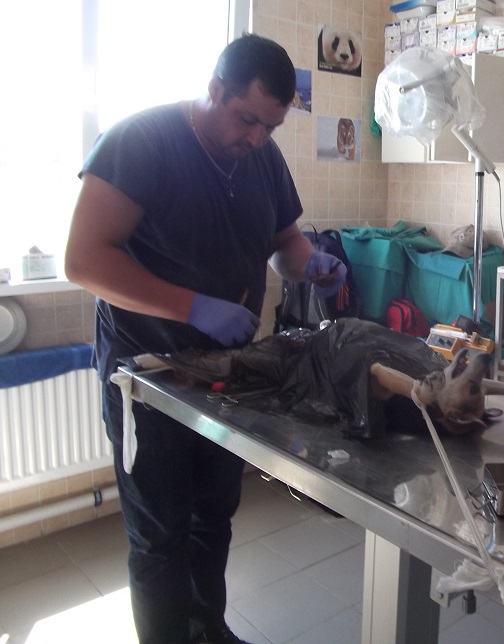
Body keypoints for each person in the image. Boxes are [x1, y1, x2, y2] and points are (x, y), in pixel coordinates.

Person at [64, 34, 346, 644]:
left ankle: (208, 630)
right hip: (149, 376)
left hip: (227, 377)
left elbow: (284, 243)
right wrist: (190, 306)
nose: (257, 138)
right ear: (215, 89)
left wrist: (310, 263)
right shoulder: (141, 142)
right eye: (247, 119)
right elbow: (84, 259)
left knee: (213, 516)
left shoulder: (262, 157)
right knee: (159, 532)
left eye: (271, 126)